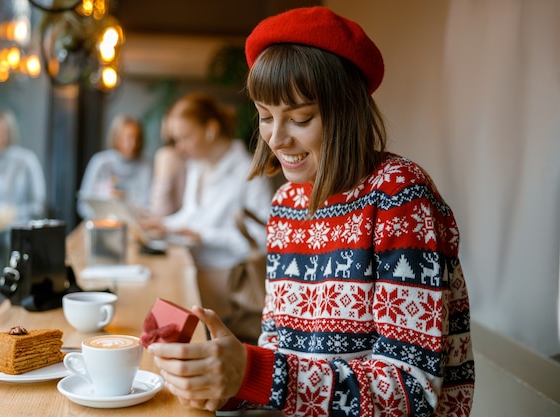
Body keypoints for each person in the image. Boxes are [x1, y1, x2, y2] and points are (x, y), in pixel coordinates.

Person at [147, 6, 475, 416]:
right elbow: (280, 357)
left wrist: (254, 371)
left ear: (345, 112)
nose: (276, 138)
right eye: (266, 117)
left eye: (300, 118)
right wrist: (223, 383)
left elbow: (410, 394)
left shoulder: (400, 197)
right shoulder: (287, 204)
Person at [140, 92, 273, 333]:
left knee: (155, 305)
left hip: (228, 280)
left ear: (210, 130)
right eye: (176, 140)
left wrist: (203, 236)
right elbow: (191, 217)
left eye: (185, 138)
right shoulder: (197, 167)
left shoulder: (249, 171)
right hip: (196, 267)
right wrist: (163, 225)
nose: (179, 148)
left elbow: (264, 239)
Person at [0, 110, 46, 319]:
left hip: (16, 230)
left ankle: (0, 303)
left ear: (9, 132)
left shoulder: (25, 160)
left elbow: (39, 205)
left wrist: (13, 213)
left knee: (5, 242)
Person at [77, 114, 152, 219]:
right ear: (116, 137)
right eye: (126, 138)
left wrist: (126, 202)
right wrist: (107, 200)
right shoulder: (101, 162)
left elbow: (149, 207)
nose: (132, 143)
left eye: (136, 137)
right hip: (102, 223)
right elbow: (83, 205)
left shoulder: (146, 167)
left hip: (136, 225)